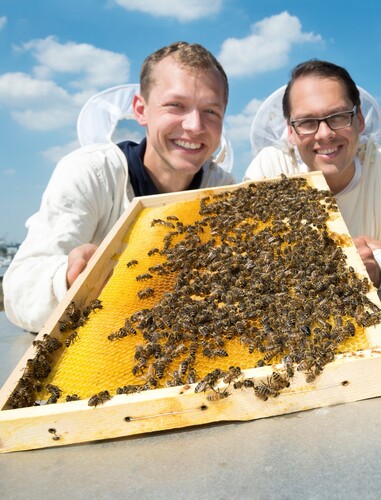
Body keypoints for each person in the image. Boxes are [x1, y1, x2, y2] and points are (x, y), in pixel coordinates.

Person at [3, 41, 235, 332]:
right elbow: (19, 289)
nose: (195, 126)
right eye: (176, 105)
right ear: (141, 110)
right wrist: (67, 278)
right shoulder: (91, 172)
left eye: (211, 111)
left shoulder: (225, 190)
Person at [245, 60, 381, 290]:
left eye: (338, 116)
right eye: (307, 122)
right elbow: (248, 264)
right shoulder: (270, 167)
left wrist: (379, 266)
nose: (324, 134)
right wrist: (344, 258)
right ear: (290, 131)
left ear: (359, 119)